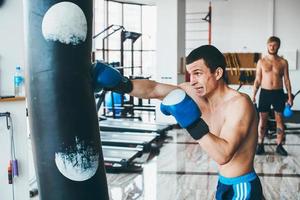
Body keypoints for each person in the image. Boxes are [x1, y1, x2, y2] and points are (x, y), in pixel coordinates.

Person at [93, 45, 263, 199]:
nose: (193, 80)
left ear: (217, 73)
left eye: (198, 73)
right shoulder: (192, 92)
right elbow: (154, 89)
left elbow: (223, 154)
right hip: (224, 183)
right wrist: (122, 84)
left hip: (242, 186)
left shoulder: (239, 104)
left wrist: (192, 123)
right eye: (190, 74)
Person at [252, 36, 293, 156]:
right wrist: (254, 94)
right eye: (270, 45)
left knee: (279, 121)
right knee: (262, 120)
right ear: (267, 45)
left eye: (274, 45)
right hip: (264, 93)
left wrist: (289, 96)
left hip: (278, 93)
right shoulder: (261, 62)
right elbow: (257, 80)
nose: (272, 47)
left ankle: (279, 146)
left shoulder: (283, 62)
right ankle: (260, 145)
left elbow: (286, 80)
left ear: (278, 46)